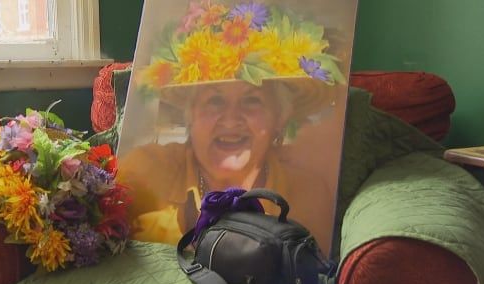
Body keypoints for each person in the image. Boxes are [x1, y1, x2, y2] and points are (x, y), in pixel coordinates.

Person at [117, 0, 347, 251]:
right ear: (189, 115)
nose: (230, 119)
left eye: (252, 100)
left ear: (279, 118)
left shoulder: (307, 195)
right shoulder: (143, 173)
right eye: (215, 100)